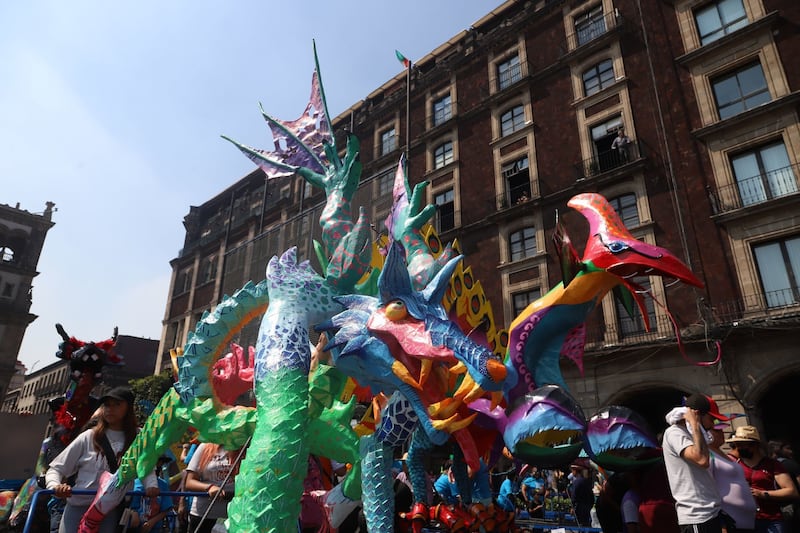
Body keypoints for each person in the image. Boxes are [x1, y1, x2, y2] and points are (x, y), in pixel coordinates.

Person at [45, 387, 159, 533]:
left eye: (116, 404)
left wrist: (151, 485)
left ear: (128, 408)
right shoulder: (88, 436)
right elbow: (56, 468)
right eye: (107, 404)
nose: (110, 409)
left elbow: (147, 468)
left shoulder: (140, 437)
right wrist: (55, 486)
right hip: (78, 507)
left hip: (112, 511)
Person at [662, 393, 724, 533]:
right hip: (697, 516)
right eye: (712, 418)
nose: (713, 423)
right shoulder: (675, 433)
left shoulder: (696, 435)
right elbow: (702, 460)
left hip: (711, 512)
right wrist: (695, 424)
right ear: (697, 415)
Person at [727, 426, 799, 533]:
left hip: (771, 520)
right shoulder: (735, 465)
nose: (739, 448)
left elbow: (791, 491)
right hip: (745, 521)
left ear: (755, 445)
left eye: (743, 445)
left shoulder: (773, 465)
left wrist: (763, 494)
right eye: (737, 445)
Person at [183, 442, 243, 533]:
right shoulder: (204, 447)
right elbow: (189, 482)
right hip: (204, 512)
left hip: (236, 513)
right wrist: (210, 487)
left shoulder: (246, 446)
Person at [709, 421, 757, 532]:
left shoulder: (722, 455)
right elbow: (709, 489)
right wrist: (722, 524)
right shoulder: (708, 456)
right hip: (730, 523)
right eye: (717, 430)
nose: (722, 433)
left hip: (747, 522)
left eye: (721, 430)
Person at [126, 455, 175, 532]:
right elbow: (126, 505)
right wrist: (133, 513)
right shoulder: (132, 482)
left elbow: (166, 508)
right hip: (133, 529)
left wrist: (151, 522)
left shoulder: (163, 484)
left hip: (154, 529)